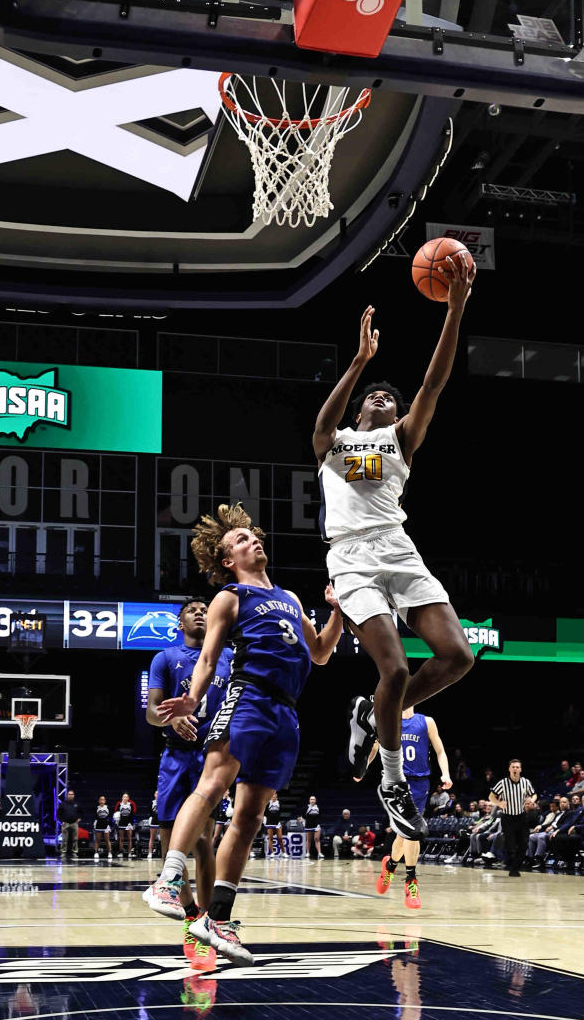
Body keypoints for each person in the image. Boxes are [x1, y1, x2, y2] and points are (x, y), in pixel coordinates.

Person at [311, 262, 477, 840]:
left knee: (458, 657)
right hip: (351, 555)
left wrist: (454, 310)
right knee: (396, 666)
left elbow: (432, 384)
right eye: (374, 396)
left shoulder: (401, 438)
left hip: (398, 548)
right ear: (360, 408)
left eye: (388, 396)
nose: (382, 398)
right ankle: (390, 779)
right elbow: (324, 420)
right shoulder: (336, 441)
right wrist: (359, 363)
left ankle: (368, 711)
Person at [145, 502, 343, 965]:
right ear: (228, 561)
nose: (253, 539)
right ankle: (169, 880)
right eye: (239, 540)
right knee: (213, 784)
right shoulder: (229, 597)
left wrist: (338, 612)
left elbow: (320, 654)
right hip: (249, 696)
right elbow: (210, 659)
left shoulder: (292, 599)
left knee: (251, 816)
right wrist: (193, 698)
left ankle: (217, 917)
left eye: (252, 535)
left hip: (287, 713)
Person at [145, 597, 232, 952]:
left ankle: (207, 920)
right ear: (180, 624)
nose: (200, 612)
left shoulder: (228, 657)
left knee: (202, 842)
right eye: (192, 611)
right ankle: (190, 912)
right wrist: (170, 717)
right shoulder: (165, 658)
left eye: (204, 609)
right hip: (175, 757)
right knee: (170, 843)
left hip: (210, 757)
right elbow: (151, 711)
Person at [363, 704, 451, 907]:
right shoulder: (388, 721)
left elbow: (440, 750)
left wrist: (445, 773)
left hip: (420, 783)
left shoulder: (426, 721)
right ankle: (411, 880)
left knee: (407, 834)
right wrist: (364, 767)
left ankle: (391, 866)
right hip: (396, 782)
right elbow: (375, 747)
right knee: (411, 832)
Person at [489, 759, 537, 877]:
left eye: (517, 767)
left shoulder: (525, 782)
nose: (515, 769)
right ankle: (514, 866)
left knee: (524, 843)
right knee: (510, 845)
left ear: (520, 769)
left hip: (521, 816)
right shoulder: (503, 783)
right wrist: (499, 804)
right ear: (509, 769)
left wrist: (532, 800)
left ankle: (515, 868)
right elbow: (491, 797)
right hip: (507, 817)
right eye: (513, 767)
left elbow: (534, 794)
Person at [57, 788, 80, 859]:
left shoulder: (76, 804)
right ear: (67, 795)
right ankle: (63, 852)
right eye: (69, 794)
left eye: (72, 794)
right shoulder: (63, 804)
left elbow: (81, 812)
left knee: (75, 839)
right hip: (65, 824)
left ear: (74, 796)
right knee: (64, 839)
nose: (71, 796)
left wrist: (79, 818)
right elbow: (58, 814)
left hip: (74, 823)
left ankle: (74, 852)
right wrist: (62, 821)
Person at [301, 795, 323, 859]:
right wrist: (304, 823)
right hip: (308, 826)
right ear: (309, 801)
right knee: (309, 840)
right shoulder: (306, 808)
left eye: (313, 799)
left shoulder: (318, 807)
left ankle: (319, 853)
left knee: (317, 839)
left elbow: (320, 816)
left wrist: (318, 823)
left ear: (315, 801)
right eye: (311, 799)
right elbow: (303, 816)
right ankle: (308, 853)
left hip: (316, 826)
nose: (312, 800)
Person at [115, 793, 136, 859]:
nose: (125, 798)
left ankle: (130, 853)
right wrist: (117, 821)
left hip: (128, 823)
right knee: (121, 839)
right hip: (121, 823)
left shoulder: (130, 805)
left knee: (129, 839)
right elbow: (117, 814)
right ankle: (121, 852)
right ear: (122, 798)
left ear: (128, 798)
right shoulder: (119, 805)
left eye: (126, 797)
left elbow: (132, 814)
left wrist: (130, 823)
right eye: (124, 797)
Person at [92, 795, 112, 861]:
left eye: (103, 799)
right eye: (101, 799)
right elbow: (95, 817)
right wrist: (95, 823)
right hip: (99, 825)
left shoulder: (108, 807)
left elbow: (110, 817)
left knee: (107, 840)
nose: (102, 801)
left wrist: (109, 824)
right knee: (98, 840)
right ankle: (96, 852)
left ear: (105, 801)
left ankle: (109, 853)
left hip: (106, 825)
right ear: (99, 801)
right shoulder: (96, 808)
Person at [145, 790, 160, 859]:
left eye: (158, 793)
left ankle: (163, 852)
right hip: (154, 822)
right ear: (154, 795)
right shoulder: (152, 803)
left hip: (161, 822)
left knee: (162, 838)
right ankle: (150, 852)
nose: (157, 794)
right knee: (152, 837)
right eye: (156, 793)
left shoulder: (162, 802)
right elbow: (150, 811)